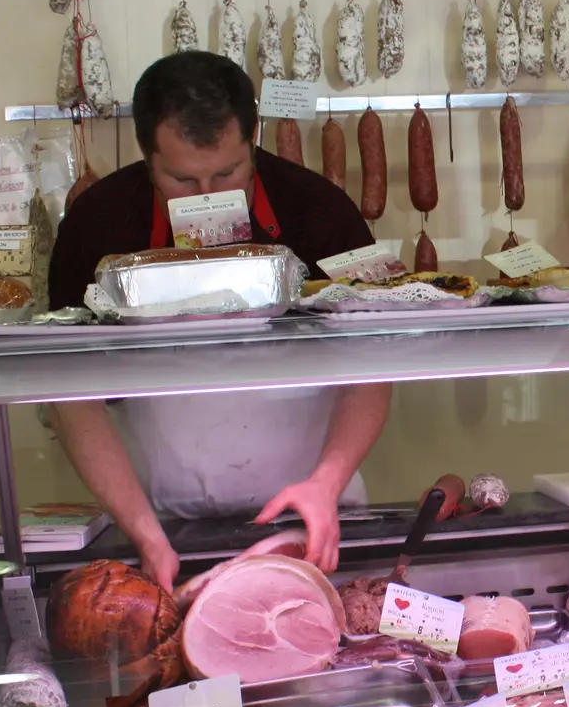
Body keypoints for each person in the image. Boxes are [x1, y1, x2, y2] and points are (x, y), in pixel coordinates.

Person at [46, 52, 392, 583]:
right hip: (163, 522)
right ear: (147, 157)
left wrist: (327, 482)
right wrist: (144, 534)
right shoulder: (97, 224)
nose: (209, 198)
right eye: (183, 179)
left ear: (253, 139)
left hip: (318, 512)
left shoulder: (320, 210)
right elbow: (69, 394)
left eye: (228, 173)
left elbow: (374, 363)